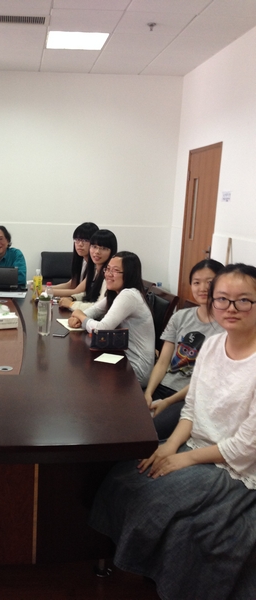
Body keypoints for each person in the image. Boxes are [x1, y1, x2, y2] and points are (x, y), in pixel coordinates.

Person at [89, 263, 256, 600]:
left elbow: (246, 446)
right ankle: (139, 565)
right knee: (124, 476)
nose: (230, 308)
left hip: (235, 466)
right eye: (222, 299)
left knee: (161, 505)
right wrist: (170, 447)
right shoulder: (212, 345)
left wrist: (185, 459)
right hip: (195, 443)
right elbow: (192, 408)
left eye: (244, 300)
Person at [144, 258, 225, 439]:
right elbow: (163, 362)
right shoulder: (180, 317)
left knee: (150, 432)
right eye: (196, 282)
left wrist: (167, 402)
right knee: (126, 421)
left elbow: (204, 380)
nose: (202, 288)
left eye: (209, 282)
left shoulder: (226, 328)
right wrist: (148, 393)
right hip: (162, 386)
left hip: (189, 397)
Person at [68, 251, 154, 386]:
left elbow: (101, 330)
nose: (108, 274)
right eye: (107, 269)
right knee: (82, 370)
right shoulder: (116, 293)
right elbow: (94, 310)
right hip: (121, 356)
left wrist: (80, 315)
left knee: (83, 376)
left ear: (129, 274)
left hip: (136, 368)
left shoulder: (129, 295)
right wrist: (78, 317)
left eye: (115, 270)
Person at [58, 229, 118, 312]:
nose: (97, 252)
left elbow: (99, 308)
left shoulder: (109, 276)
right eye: (94, 247)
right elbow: (91, 293)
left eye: (103, 248)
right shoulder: (96, 270)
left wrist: (71, 304)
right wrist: (73, 298)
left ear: (112, 251)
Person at [51, 222, 99, 291]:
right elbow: (71, 285)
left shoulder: (96, 266)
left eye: (85, 240)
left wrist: (46, 290)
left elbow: (76, 292)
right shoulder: (82, 261)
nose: (80, 244)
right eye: (78, 240)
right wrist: (45, 288)